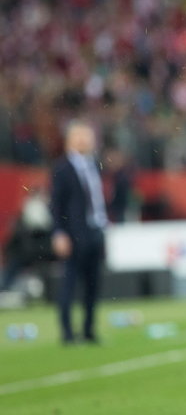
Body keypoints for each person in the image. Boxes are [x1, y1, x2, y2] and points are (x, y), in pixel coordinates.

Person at [50, 120, 108, 345]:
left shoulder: (94, 165)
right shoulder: (62, 168)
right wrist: (59, 233)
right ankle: (66, 332)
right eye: (79, 136)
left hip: (95, 230)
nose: (84, 140)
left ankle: (88, 330)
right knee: (70, 284)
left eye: (87, 136)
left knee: (93, 284)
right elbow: (57, 205)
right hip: (73, 234)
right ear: (69, 141)